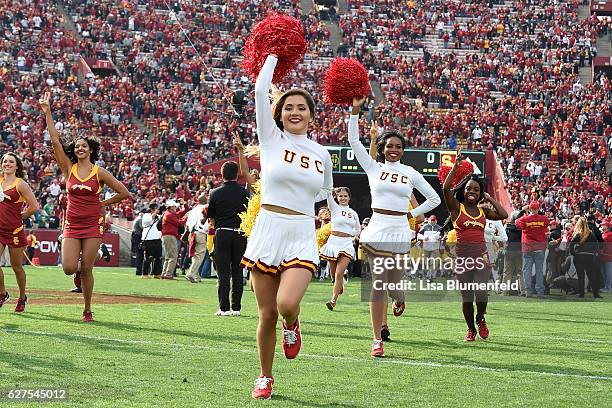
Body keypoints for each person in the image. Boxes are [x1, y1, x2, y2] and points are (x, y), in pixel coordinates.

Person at [239, 54, 333, 399]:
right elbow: (261, 86)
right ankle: (265, 376)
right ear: (279, 113)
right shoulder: (271, 139)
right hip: (267, 228)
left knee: (286, 304)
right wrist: (274, 53)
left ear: (311, 115)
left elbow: (325, 195)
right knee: (266, 314)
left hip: (301, 232)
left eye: (302, 108)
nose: (295, 112)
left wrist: (335, 225)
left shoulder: (321, 154)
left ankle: (292, 325)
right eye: (289, 107)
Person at [349, 96, 441, 357]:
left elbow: (434, 199)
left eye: (398, 146)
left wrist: (411, 213)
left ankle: (400, 298)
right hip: (377, 227)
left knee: (393, 285)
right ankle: (377, 338)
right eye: (389, 145)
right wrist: (355, 111)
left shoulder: (411, 172)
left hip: (400, 229)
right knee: (378, 283)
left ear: (403, 149)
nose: (393, 149)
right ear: (382, 147)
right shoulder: (373, 167)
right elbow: (353, 141)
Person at [40, 92, 130, 322]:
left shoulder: (99, 172)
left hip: (92, 224)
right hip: (72, 224)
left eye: (83, 146)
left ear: (90, 150)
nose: (79, 149)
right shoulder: (68, 169)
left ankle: (87, 309)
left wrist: (103, 203)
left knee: (87, 269)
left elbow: (124, 192)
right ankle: (83, 266)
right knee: (69, 268)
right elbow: (55, 142)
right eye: (77, 146)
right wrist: (48, 112)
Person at [442, 148, 507, 341]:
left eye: (476, 190)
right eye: (469, 188)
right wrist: (456, 166)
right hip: (462, 259)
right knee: (467, 298)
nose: (472, 191)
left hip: (481, 257)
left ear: (480, 194)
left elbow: (503, 215)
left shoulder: (483, 212)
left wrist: (489, 198)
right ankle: (470, 328)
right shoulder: (456, 208)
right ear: (463, 190)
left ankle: (481, 318)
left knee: (481, 292)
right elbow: (446, 189)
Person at [207, 161, 249, 315]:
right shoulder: (244, 193)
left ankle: (224, 308)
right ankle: (236, 308)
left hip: (222, 232)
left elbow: (210, 217)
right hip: (239, 233)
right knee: (238, 272)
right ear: (236, 174)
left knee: (223, 273)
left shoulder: (215, 193)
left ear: (222, 174)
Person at [0, 153, 39, 312]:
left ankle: (22, 297)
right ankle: (2, 293)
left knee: (17, 267)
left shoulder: (20, 184)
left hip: (14, 230)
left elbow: (34, 206)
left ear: (17, 166)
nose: (7, 164)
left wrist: (22, 216)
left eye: (11, 162)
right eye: (4, 161)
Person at [320, 187, 360, 310]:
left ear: (349, 197)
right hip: (333, 242)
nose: (343, 198)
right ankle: (340, 284)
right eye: (340, 196)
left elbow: (358, 229)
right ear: (337, 197)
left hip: (346, 244)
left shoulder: (353, 213)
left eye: (345, 196)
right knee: (333, 275)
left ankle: (333, 300)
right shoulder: (334, 208)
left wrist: (351, 235)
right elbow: (327, 193)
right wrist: (330, 187)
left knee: (339, 273)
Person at [515, 202, 550, 297]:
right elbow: (547, 222)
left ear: (529, 209)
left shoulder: (524, 219)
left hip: (527, 248)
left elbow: (515, 222)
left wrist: (523, 210)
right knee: (539, 270)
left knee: (527, 270)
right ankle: (540, 291)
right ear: (538, 209)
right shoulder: (544, 219)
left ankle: (528, 291)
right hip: (539, 248)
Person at [570, 217, 602, 298]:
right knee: (592, 276)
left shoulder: (578, 234)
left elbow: (570, 246)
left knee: (581, 276)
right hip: (590, 257)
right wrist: (593, 254)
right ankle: (596, 294)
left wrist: (574, 254)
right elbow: (596, 246)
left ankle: (581, 293)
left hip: (580, 257)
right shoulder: (591, 235)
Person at [184, 194, 209, 283]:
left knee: (194, 255)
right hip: (201, 232)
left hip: (192, 233)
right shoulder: (206, 208)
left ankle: (196, 276)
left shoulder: (193, 210)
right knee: (199, 255)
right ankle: (190, 273)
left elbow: (187, 224)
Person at [160, 199, 186, 279]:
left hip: (167, 236)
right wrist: (186, 218)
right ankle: (168, 274)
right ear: (171, 207)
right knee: (173, 256)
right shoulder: (169, 215)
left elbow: (179, 215)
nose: (176, 208)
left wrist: (184, 209)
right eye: (174, 207)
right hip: (170, 236)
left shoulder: (168, 214)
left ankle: (164, 273)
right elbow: (179, 223)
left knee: (168, 256)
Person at [141, 204, 163, 278]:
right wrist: (154, 214)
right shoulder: (146, 215)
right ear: (152, 209)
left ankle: (156, 273)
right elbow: (146, 223)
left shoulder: (158, 216)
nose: (158, 210)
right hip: (148, 239)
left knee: (158, 257)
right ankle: (145, 274)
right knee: (148, 257)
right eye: (156, 209)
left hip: (157, 238)